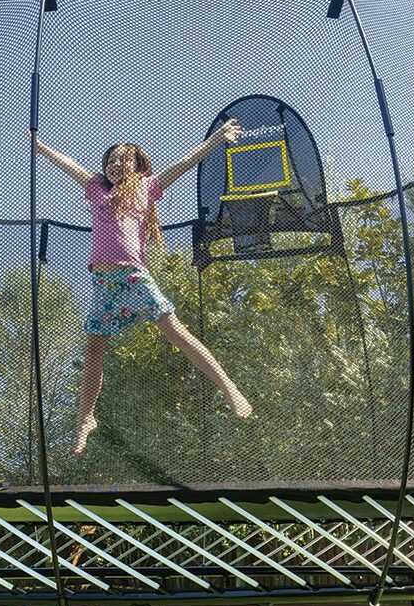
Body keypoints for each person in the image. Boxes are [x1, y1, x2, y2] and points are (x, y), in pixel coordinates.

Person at [34, 120, 252, 454]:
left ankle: (230, 388)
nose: (116, 163)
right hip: (103, 283)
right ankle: (85, 419)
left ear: (137, 166)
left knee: (177, 333)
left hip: (135, 278)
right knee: (94, 352)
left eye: (124, 159)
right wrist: (40, 147)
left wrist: (217, 140)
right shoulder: (95, 187)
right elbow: (70, 165)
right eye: (111, 159)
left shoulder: (147, 187)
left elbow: (184, 162)